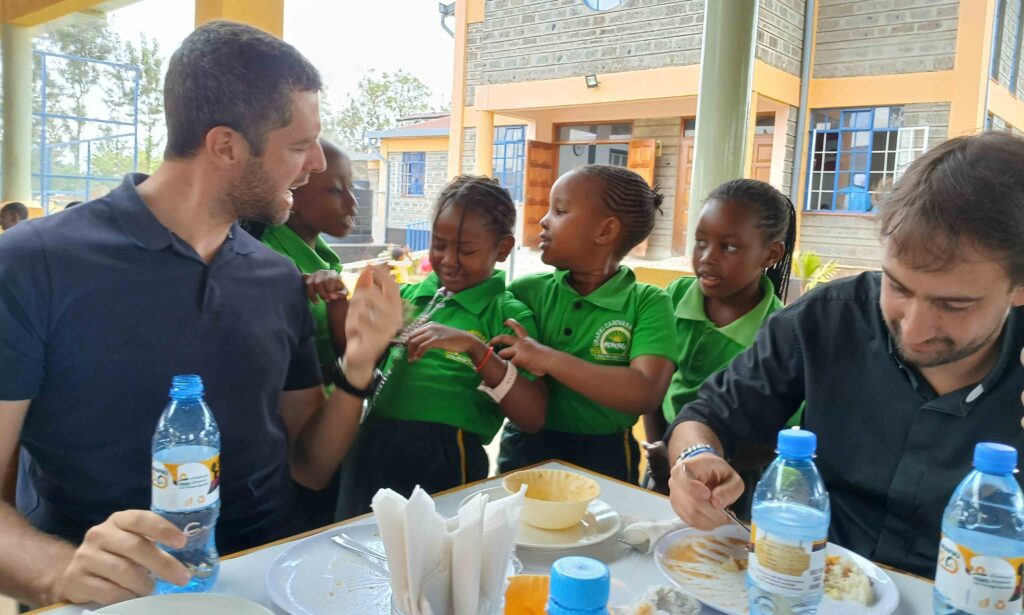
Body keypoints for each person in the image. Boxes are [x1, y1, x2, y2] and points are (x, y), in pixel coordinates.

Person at [0, 21, 403, 608]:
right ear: (225, 146)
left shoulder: (276, 278)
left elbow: (310, 467)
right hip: (113, 598)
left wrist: (358, 365)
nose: (316, 164)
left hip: (268, 580)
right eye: (298, 146)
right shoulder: (32, 263)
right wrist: (60, 572)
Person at [666, 131, 1024, 578]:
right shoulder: (827, 320)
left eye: (953, 305)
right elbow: (705, 416)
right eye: (898, 287)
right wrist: (695, 457)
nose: (914, 329)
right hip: (809, 579)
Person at [337, 175, 548, 518]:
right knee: (354, 538)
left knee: (436, 546)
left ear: (503, 249)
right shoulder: (406, 298)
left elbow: (532, 417)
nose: (449, 260)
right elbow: (351, 352)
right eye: (438, 244)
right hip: (370, 444)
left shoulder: (507, 315)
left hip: (448, 453)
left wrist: (476, 350)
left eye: (466, 250)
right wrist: (336, 300)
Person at [494, 165, 677, 483]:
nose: (543, 220)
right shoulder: (526, 292)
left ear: (605, 231)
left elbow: (645, 391)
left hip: (605, 456)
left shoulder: (647, 302)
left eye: (560, 211)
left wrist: (547, 358)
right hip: (526, 448)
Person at [643, 179, 796, 498]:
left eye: (729, 247)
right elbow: (651, 385)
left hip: (731, 480)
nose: (707, 257)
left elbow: (781, 438)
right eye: (701, 242)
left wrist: (702, 463)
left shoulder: (781, 333)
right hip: (661, 462)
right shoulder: (673, 297)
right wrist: (662, 450)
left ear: (770, 254)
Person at [260, 138, 356, 529]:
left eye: (351, 188)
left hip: (331, 429)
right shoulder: (268, 260)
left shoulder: (324, 260)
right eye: (336, 191)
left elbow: (345, 352)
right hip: (292, 448)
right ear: (293, 194)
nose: (352, 203)